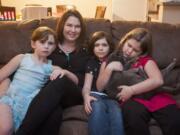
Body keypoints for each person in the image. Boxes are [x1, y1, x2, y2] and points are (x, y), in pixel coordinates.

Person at [15, 9, 90, 135]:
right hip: (49, 95)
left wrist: (65, 72)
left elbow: (83, 80)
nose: (73, 30)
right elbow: (27, 62)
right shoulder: (50, 45)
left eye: (77, 26)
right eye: (69, 25)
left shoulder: (85, 51)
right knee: (54, 114)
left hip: (74, 94)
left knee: (60, 79)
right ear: (62, 26)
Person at [96, 28, 180, 135]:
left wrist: (131, 89)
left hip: (154, 97)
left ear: (142, 52)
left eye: (135, 50)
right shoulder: (111, 59)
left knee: (174, 120)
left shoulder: (145, 61)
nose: (129, 51)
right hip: (133, 102)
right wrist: (109, 68)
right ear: (124, 40)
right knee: (133, 119)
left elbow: (158, 80)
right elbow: (99, 87)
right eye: (129, 45)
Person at [0, 26, 69, 135]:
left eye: (50, 44)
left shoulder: (51, 67)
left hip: (29, 105)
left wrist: (64, 71)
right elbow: (1, 75)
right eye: (42, 42)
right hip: (9, 98)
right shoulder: (22, 58)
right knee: (6, 129)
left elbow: (72, 80)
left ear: (54, 47)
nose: (46, 46)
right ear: (33, 44)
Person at [82, 31, 124, 135]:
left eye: (104, 45)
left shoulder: (115, 61)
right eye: (97, 45)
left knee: (116, 113)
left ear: (110, 47)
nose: (100, 48)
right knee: (97, 109)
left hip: (112, 97)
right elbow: (86, 86)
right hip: (95, 95)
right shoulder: (91, 62)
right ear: (92, 48)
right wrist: (86, 97)